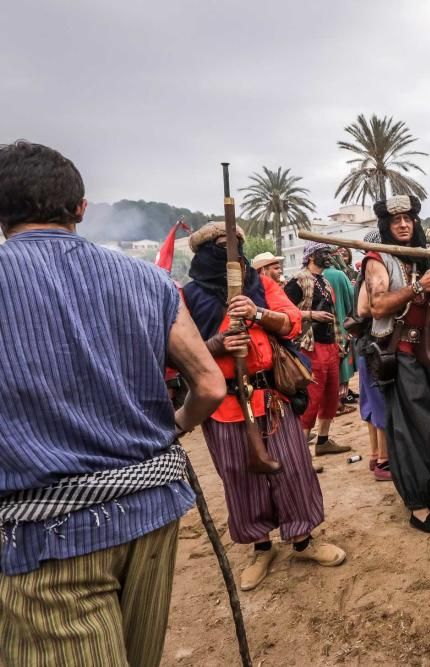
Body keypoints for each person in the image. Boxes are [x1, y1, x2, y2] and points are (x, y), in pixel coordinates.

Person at [0, 141, 224, 666]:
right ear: (80, 208)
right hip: (152, 513)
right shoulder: (150, 280)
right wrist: (174, 426)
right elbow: (210, 386)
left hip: (49, 537)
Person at [184, 223, 346, 591]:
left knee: (292, 469)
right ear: (206, 252)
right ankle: (261, 547)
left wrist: (257, 312)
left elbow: (290, 323)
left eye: (237, 246)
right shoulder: (188, 297)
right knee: (241, 478)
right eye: (224, 247)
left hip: (271, 399)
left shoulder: (261, 285)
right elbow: (181, 354)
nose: (233, 254)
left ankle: (303, 540)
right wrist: (218, 344)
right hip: (224, 405)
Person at [362, 195, 430, 534]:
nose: (403, 225)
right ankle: (417, 506)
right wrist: (419, 286)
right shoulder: (379, 259)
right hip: (402, 353)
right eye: (396, 220)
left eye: (408, 218)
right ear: (386, 226)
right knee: (409, 431)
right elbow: (377, 306)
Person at [285, 242, 350, 455]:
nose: (329, 256)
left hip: (330, 345)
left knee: (331, 396)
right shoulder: (297, 281)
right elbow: (284, 312)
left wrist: (339, 342)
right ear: (311, 256)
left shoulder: (324, 281)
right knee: (312, 398)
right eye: (324, 253)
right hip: (309, 347)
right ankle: (302, 453)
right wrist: (312, 315)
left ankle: (323, 441)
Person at [355, 230, 392, 481]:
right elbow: (363, 308)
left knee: (370, 403)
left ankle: (374, 454)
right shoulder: (373, 270)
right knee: (379, 404)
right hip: (372, 345)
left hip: (364, 345)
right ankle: (383, 462)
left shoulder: (362, 272)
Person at [322, 251, 357, 415]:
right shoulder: (338, 275)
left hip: (319, 331)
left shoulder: (313, 275)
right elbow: (352, 298)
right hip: (340, 325)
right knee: (341, 364)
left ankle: (331, 403)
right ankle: (338, 403)